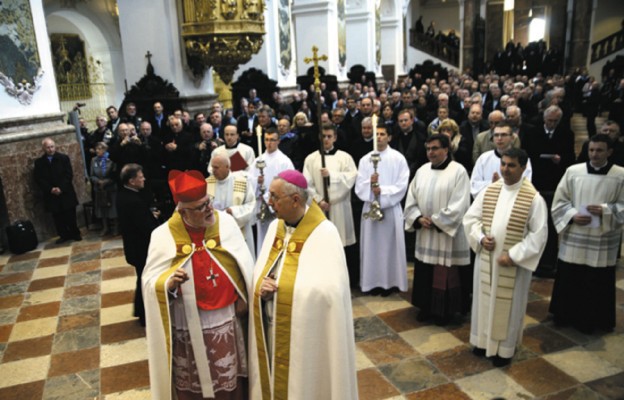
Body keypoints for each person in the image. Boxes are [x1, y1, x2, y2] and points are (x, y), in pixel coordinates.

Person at [142, 169, 253, 400]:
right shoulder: (163, 236)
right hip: (188, 318)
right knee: (195, 383)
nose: (209, 209)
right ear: (183, 211)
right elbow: (150, 281)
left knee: (228, 375)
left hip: (225, 315)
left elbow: (244, 266)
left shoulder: (226, 224)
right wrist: (168, 284)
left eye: (208, 202)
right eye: (201, 207)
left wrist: (244, 296)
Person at [248, 170, 358, 400]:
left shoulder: (324, 232)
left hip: (305, 335)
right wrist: (261, 285)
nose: (270, 202)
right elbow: (260, 273)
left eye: (275, 197)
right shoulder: (275, 228)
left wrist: (282, 289)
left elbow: (330, 293)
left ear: (295, 200)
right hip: (272, 327)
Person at [463, 148, 548, 367]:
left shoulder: (533, 198)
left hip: (511, 265)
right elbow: (470, 219)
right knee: (483, 302)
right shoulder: (490, 190)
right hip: (487, 259)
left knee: (508, 308)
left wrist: (513, 255)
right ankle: (482, 342)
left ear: (523, 167)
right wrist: (481, 238)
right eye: (503, 164)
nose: (505, 169)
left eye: (511, 165)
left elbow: (539, 236)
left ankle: (503, 350)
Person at [549, 134, 624, 334]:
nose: (594, 154)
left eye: (599, 150)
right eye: (591, 150)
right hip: (576, 236)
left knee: (596, 280)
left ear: (609, 152)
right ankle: (564, 315)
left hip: (602, 238)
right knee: (570, 275)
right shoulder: (574, 171)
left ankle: (594, 320)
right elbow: (559, 201)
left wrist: (606, 210)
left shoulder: (620, 175)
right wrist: (572, 215)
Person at [404, 134, 471, 324]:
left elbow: (461, 204)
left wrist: (436, 221)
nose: (430, 152)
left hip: (447, 235)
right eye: (428, 149)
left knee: (447, 272)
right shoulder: (422, 171)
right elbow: (411, 199)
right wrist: (417, 218)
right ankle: (427, 308)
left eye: (434, 148)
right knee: (426, 272)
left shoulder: (458, 171)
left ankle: (447, 312)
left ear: (446, 149)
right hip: (426, 234)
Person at [355, 123, 409, 295]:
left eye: (382, 134)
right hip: (370, 206)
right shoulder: (365, 159)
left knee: (390, 247)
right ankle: (373, 282)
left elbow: (402, 184)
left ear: (389, 137)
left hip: (390, 208)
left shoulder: (398, 158)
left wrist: (383, 192)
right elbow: (359, 186)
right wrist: (370, 186)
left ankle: (391, 282)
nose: (378, 137)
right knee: (372, 247)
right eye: (376, 133)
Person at [303, 124, 358, 283]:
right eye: (323, 136)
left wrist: (331, 176)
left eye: (329, 136)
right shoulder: (311, 158)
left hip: (339, 207)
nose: (326, 139)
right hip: (319, 208)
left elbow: (350, 179)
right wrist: (319, 200)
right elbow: (306, 184)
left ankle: (343, 280)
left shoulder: (345, 157)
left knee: (340, 245)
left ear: (335, 137)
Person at [117, 164, 160, 326]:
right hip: (141, 248)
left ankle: (142, 311)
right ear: (132, 181)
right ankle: (144, 314)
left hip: (134, 247)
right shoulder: (133, 200)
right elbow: (145, 227)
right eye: (140, 177)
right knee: (145, 279)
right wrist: (154, 219)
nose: (144, 179)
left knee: (142, 278)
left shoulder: (124, 195)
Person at [249, 129, 294, 255]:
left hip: (278, 205)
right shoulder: (258, 161)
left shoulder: (284, 161)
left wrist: (270, 197)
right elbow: (250, 181)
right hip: (261, 205)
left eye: (272, 140)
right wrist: (257, 182)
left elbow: (289, 184)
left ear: (278, 141)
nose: (269, 143)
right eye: (266, 140)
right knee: (263, 240)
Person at [207, 154, 257, 259]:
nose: (213, 170)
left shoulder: (242, 182)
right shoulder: (207, 183)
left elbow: (251, 204)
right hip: (214, 230)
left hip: (238, 230)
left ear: (227, 167)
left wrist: (233, 211)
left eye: (216, 167)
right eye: (212, 167)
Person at [34, 137, 82, 244]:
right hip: (51, 194)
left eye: (52, 147)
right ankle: (63, 234)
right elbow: (39, 178)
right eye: (48, 147)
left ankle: (75, 233)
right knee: (57, 217)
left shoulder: (63, 158)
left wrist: (61, 188)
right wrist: (51, 189)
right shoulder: (39, 163)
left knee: (70, 215)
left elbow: (68, 175)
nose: (50, 149)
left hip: (65, 192)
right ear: (43, 149)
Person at [471, 122, 532, 197]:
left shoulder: (522, 158)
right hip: (489, 202)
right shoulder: (483, 158)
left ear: (512, 138)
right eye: (496, 135)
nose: (499, 138)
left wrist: (499, 183)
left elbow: (526, 185)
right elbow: (474, 186)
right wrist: (492, 183)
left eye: (503, 135)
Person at [90, 142, 118, 236]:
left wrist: (106, 181)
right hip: (100, 189)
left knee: (113, 209)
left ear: (105, 150)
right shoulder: (94, 160)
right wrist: (98, 181)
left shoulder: (111, 160)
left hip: (110, 188)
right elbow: (92, 175)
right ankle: (105, 227)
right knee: (102, 209)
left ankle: (115, 228)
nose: (97, 151)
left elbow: (114, 175)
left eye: (100, 149)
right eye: (96, 149)